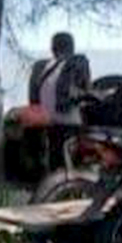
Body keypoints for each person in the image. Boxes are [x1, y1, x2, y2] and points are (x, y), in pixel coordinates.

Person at [33, 32, 90, 170]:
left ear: (52, 48)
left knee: (56, 160)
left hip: (47, 121)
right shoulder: (78, 63)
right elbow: (85, 90)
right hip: (69, 121)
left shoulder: (42, 67)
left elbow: (34, 95)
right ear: (72, 47)